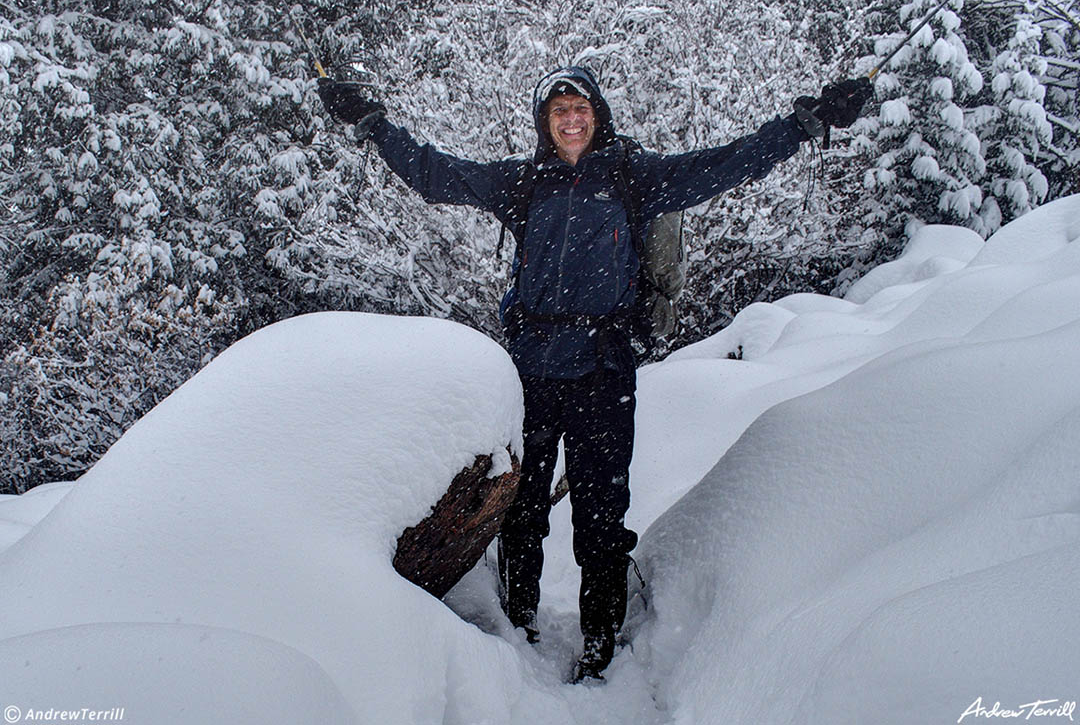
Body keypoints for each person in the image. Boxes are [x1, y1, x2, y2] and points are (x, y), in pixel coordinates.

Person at [318, 65, 871, 682]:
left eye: (580, 108)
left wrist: (803, 125)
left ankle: (599, 643)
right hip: (532, 368)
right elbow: (436, 174)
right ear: (544, 124)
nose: (571, 120)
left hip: (604, 371)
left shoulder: (633, 176)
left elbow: (724, 165)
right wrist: (373, 126)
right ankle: (518, 625)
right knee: (521, 505)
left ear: (597, 115)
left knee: (601, 511)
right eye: (558, 112)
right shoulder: (524, 182)